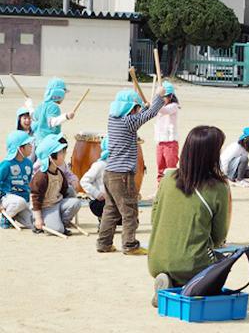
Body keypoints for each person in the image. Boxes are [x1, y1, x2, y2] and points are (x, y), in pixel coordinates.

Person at [148, 126, 231, 307]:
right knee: (222, 264)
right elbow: (219, 236)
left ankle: (170, 281)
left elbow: (154, 218)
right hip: (191, 263)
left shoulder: (167, 178)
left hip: (156, 258)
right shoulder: (218, 188)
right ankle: (188, 285)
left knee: (187, 256)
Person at [96, 87, 165, 255]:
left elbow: (140, 115)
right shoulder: (129, 122)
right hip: (122, 175)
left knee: (111, 210)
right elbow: (148, 116)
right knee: (130, 210)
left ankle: (103, 243)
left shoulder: (113, 119)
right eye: (136, 108)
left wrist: (143, 107)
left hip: (110, 173)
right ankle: (129, 244)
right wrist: (158, 96)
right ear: (130, 109)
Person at [30, 134, 82, 235]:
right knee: (58, 230)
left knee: (76, 203)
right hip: (45, 208)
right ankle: (39, 224)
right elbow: (35, 198)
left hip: (57, 203)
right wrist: (38, 218)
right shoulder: (41, 176)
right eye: (61, 152)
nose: (64, 154)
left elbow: (64, 190)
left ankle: (61, 222)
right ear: (51, 157)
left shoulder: (59, 173)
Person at [0, 131, 35, 230]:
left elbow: (28, 183)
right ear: (20, 148)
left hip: (23, 202)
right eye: (28, 145)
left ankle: (14, 214)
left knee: (33, 224)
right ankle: (5, 219)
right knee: (19, 202)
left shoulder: (29, 163)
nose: (31, 147)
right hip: (8, 198)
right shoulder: (6, 164)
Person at [32, 78, 75, 144]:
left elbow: (34, 117)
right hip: (49, 142)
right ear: (59, 93)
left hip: (37, 140)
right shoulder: (53, 107)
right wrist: (66, 116)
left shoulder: (41, 105)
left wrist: (29, 104)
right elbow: (52, 122)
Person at [80, 137, 112, 223]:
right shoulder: (99, 165)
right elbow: (84, 181)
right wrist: (97, 194)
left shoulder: (119, 165)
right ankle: (102, 218)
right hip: (101, 202)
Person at [154, 81, 180, 183]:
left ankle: (172, 190)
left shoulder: (173, 106)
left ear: (171, 96)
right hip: (160, 142)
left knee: (170, 170)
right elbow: (154, 110)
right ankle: (159, 190)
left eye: (164, 97)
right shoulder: (159, 106)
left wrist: (157, 99)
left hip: (170, 143)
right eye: (162, 97)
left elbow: (164, 110)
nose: (163, 99)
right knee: (160, 168)